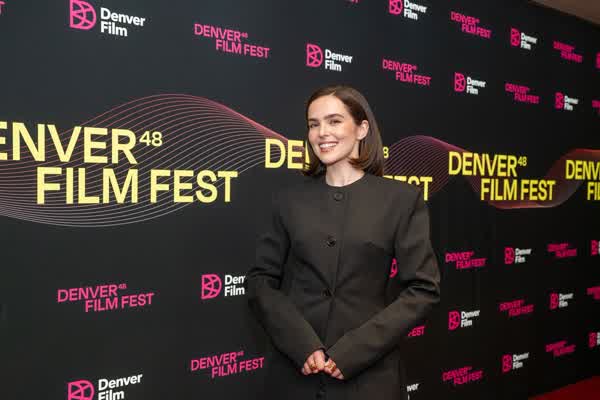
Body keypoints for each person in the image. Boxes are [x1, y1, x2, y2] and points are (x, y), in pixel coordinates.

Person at [244, 85, 441, 399]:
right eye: (314, 124)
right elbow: (260, 281)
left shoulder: (401, 200)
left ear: (362, 129)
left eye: (334, 121)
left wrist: (355, 350)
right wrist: (301, 344)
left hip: (369, 376)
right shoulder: (288, 200)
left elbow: (423, 289)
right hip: (295, 374)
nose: (322, 132)